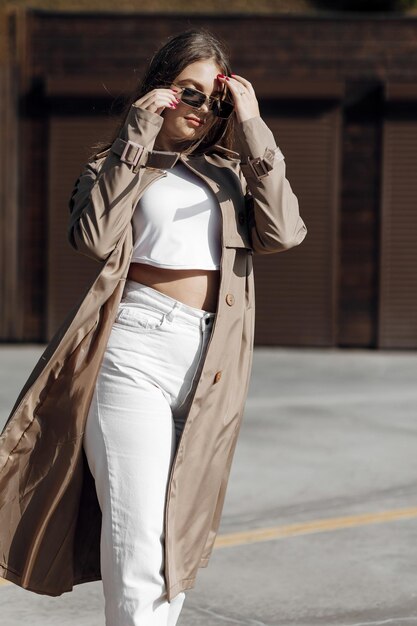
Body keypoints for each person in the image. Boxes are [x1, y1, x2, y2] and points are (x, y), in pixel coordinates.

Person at [0, 27, 306, 626]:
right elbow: (93, 239)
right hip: (132, 352)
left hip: (212, 362)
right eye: (187, 92)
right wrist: (138, 136)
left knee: (173, 545)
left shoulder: (231, 175)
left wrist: (252, 125)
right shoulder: (113, 164)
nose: (201, 109)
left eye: (213, 98)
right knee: (136, 541)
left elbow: (285, 232)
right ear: (160, 90)